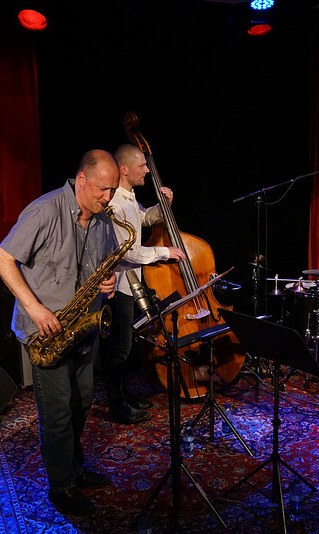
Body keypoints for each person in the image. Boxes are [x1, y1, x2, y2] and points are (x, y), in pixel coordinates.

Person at [0, 149, 120, 517]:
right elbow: (1, 258)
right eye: (102, 189)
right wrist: (34, 307)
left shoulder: (101, 217)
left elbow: (104, 267)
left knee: (81, 404)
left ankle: (74, 467)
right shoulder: (44, 211)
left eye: (112, 191)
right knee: (58, 413)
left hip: (82, 328)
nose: (107, 198)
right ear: (81, 180)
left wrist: (109, 282)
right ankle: (61, 486)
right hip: (46, 332)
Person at [104, 144, 186, 424]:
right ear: (124, 169)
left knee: (126, 349)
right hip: (119, 289)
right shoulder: (114, 203)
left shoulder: (129, 198)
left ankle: (124, 396)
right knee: (119, 349)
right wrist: (164, 252)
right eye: (142, 166)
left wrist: (163, 205)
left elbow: (145, 220)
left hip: (133, 284)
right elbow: (127, 251)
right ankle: (116, 405)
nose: (147, 170)